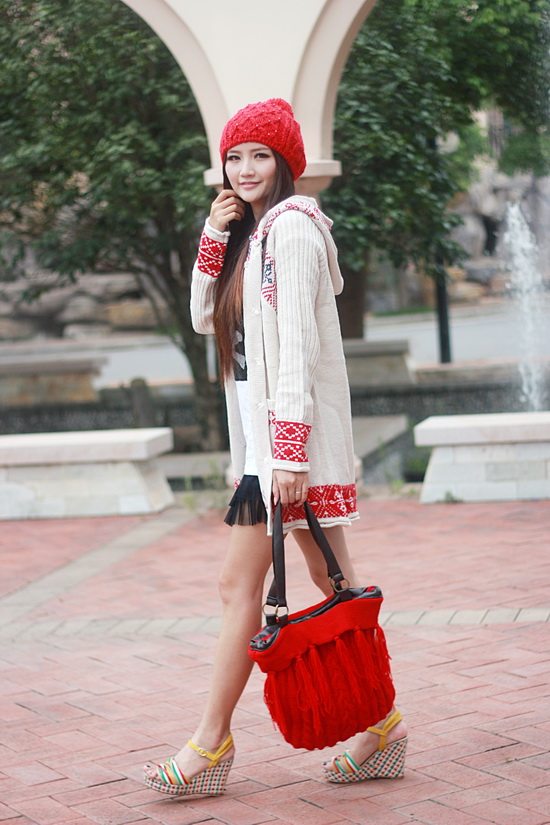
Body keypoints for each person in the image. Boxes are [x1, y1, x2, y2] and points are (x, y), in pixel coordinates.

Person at [143, 98, 407, 797]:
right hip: (268, 450)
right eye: (234, 157)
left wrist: (288, 453)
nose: (245, 168)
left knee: (245, 587)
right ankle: (382, 724)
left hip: (286, 451)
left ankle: (211, 743)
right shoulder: (254, 235)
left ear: (286, 162)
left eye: (261, 155)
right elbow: (203, 314)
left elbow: (297, 348)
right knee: (334, 584)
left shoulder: (290, 230)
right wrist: (213, 232)